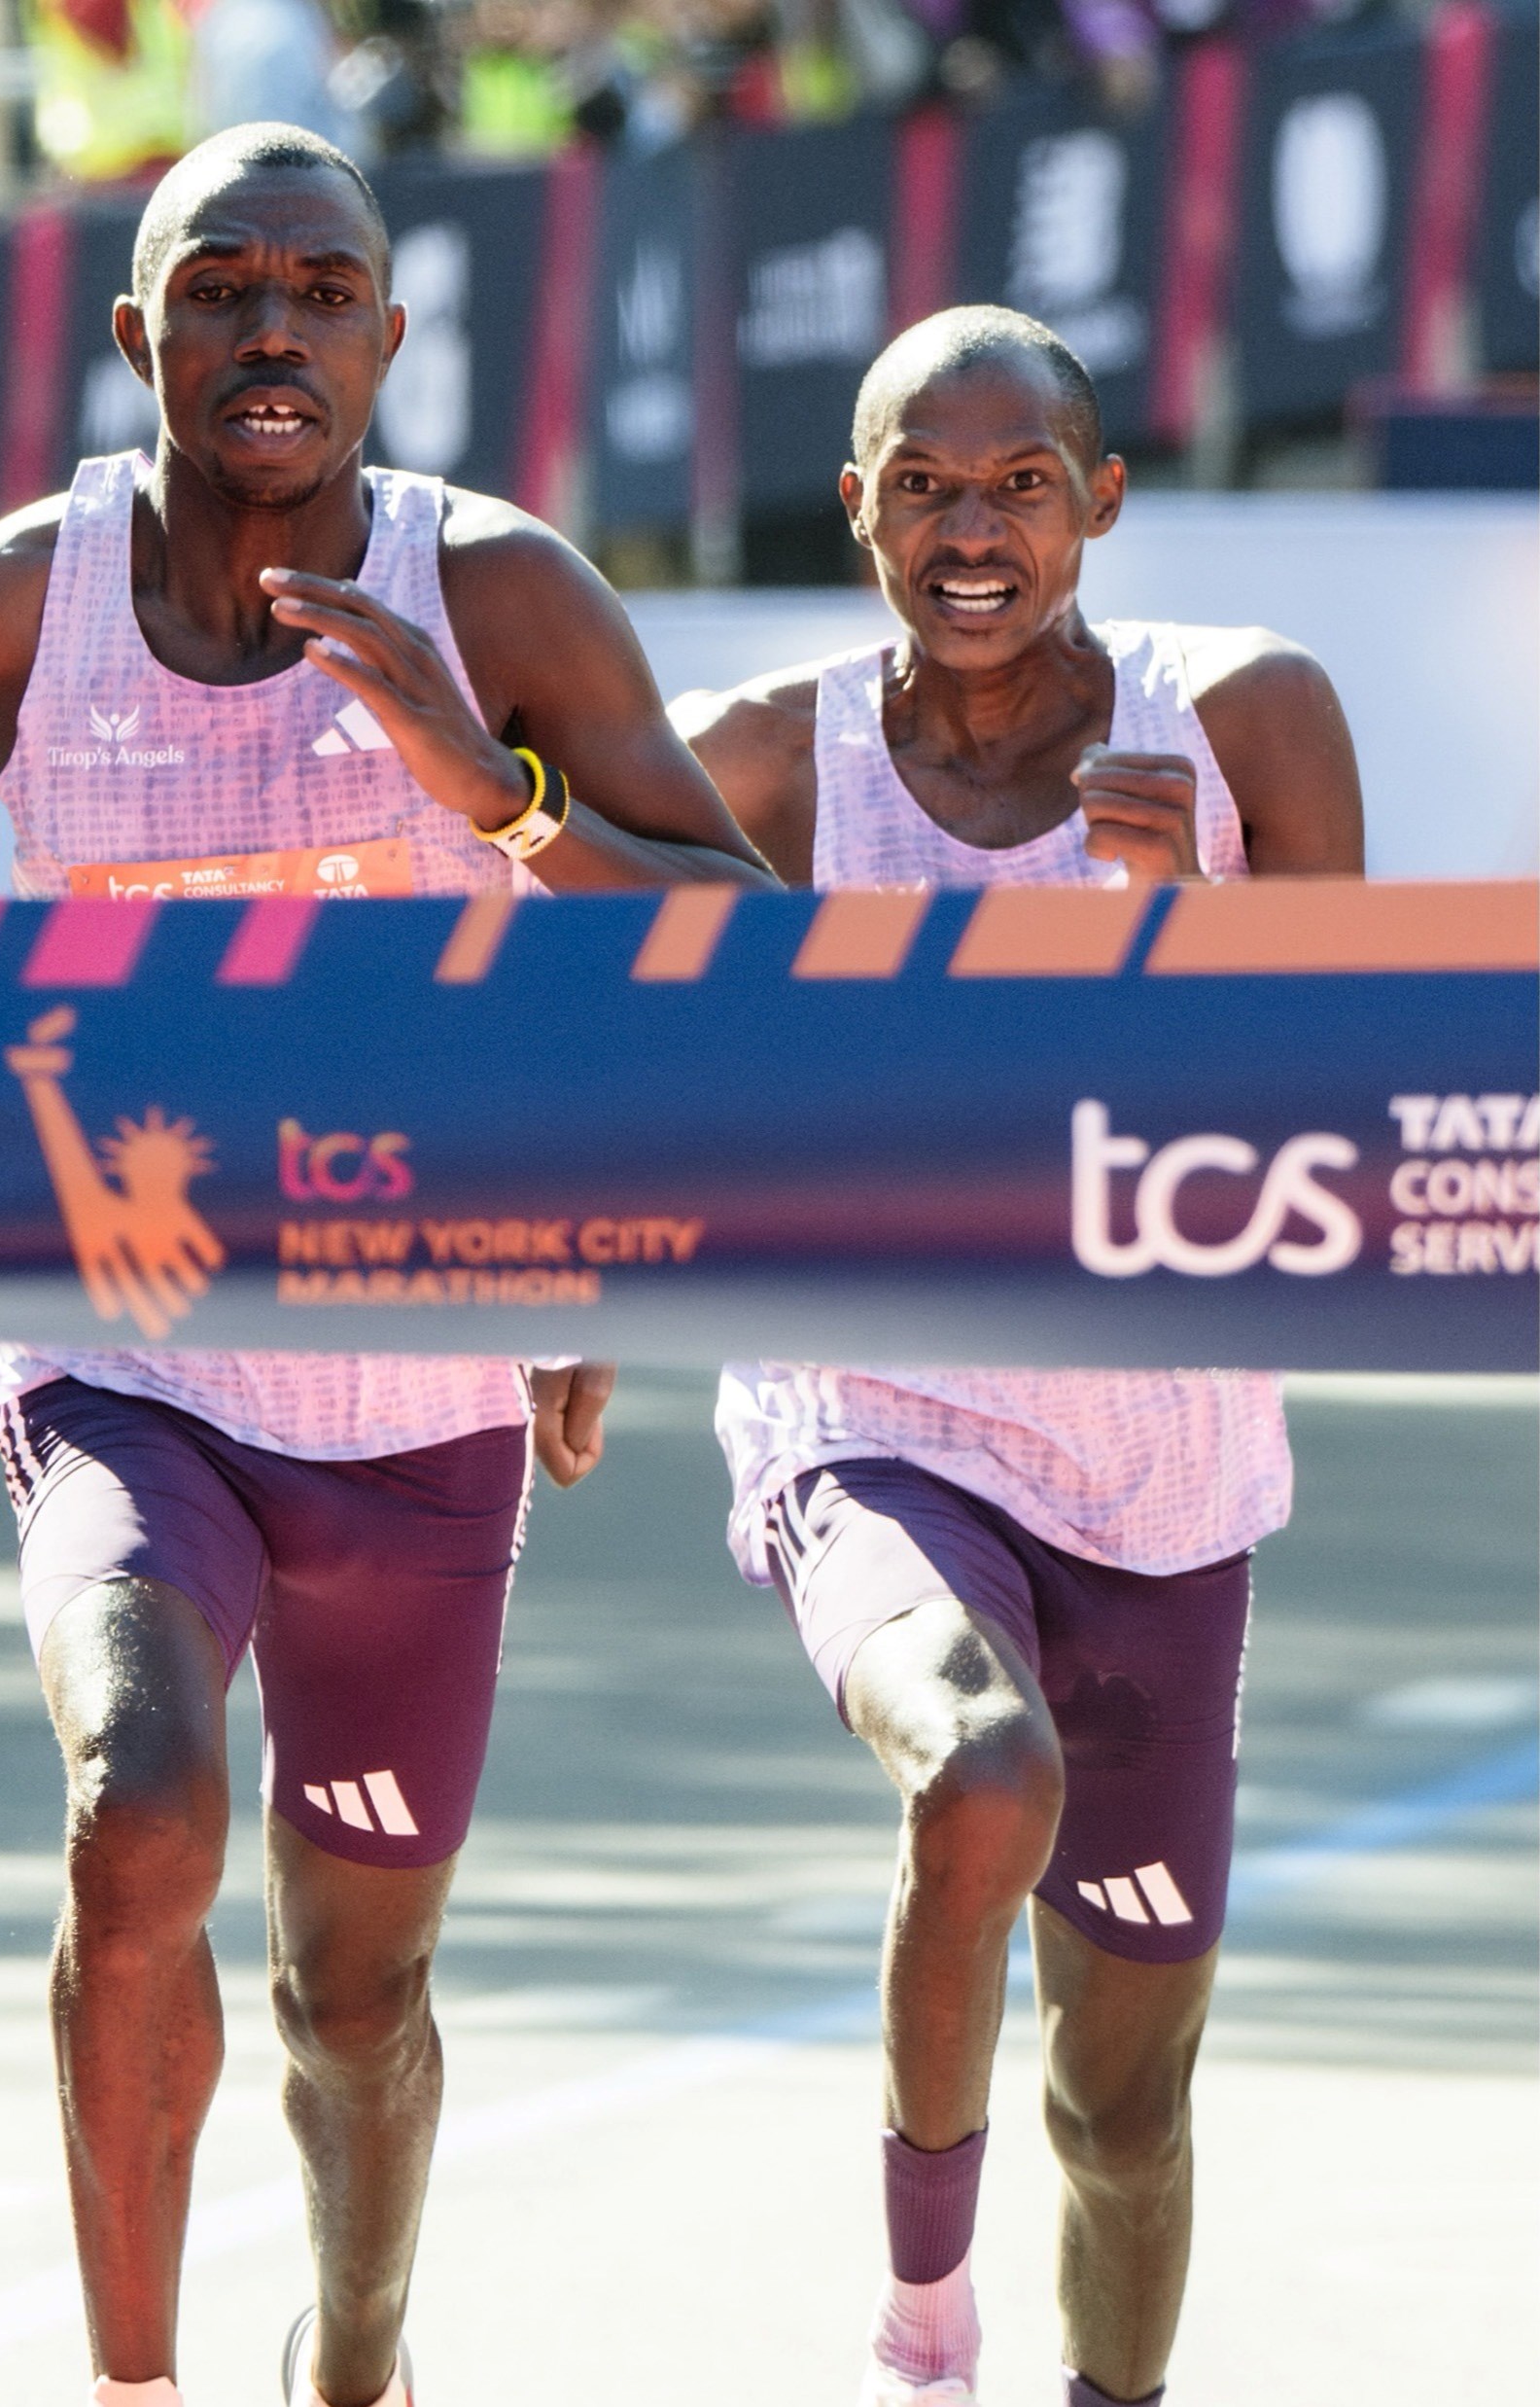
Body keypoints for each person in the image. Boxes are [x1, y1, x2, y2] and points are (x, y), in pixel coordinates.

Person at [0, 123, 774, 2407]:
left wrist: (494, 788)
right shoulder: (5, 593)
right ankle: (131, 2382)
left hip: (415, 1387)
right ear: (134, 334)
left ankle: (353, 2355)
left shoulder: (501, 592)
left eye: (318, 290)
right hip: (116, 1345)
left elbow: (749, 934)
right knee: (137, 1803)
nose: (268, 328)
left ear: (387, 342)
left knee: (355, 1994)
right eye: (215, 286)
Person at [672, 305, 1364, 2407]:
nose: (971, 530)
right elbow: (603, 1052)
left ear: (1102, 500)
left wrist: (1198, 928)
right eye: (924, 486)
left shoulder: (1243, 720)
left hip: (1160, 1468)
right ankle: (920, 2321)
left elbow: (1353, 1092)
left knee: (1126, 2098)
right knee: (980, 1770)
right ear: (857, 501)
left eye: (1021, 485)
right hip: (872, 1412)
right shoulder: (771, 760)